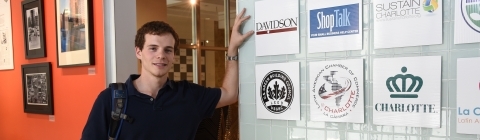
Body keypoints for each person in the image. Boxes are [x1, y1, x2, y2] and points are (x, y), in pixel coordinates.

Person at [80, 8, 254, 140]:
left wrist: (232, 50)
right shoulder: (111, 99)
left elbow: (230, 94)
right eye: (153, 48)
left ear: (174, 56)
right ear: (138, 52)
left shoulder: (189, 95)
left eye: (168, 50)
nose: (161, 55)